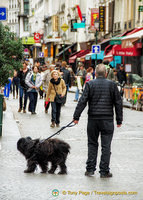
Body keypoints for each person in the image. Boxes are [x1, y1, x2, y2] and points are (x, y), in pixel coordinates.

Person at [73, 64, 123, 178]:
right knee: (106, 146)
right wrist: (119, 119)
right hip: (107, 120)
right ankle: (104, 171)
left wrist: (76, 117)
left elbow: (82, 101)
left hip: (93, 120)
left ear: (95, 73)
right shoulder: (112, 85)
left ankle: (90, 169)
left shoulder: (90, 84)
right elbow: (118, 103)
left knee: (92, 144)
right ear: (106, 73)